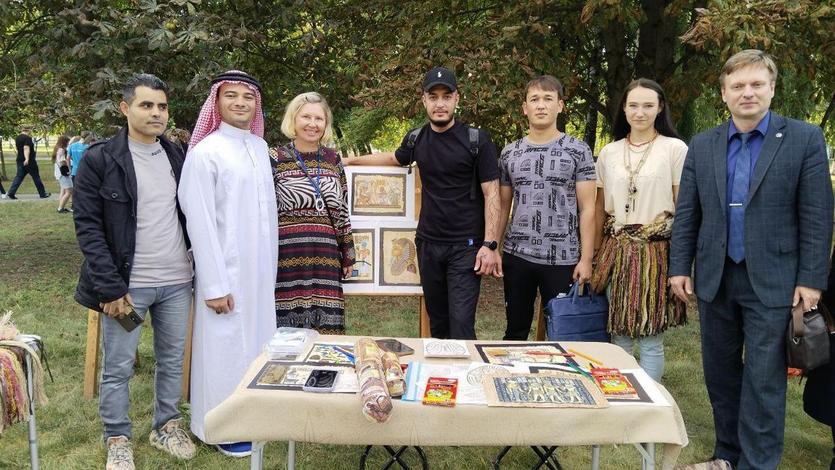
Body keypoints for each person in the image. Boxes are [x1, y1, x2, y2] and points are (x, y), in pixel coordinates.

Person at [670, 49, 833, 469]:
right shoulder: (703, 144)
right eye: (738, 86)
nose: (748, 93)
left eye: (757, 84)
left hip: (775, 280)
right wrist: (677, 268)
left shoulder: (803, 138)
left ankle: (757, 463)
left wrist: (811, 281)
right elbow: (689, 213)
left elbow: (817, 215)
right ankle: (727, 455)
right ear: (723, 93)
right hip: (715, 278)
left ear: (772, 88)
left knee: (763, 380)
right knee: (720, 376)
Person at [73, 73, 195, 470]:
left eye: (161, 106)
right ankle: (117, 437)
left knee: (172, 359)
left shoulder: (178, 154)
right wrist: (109, 289)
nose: (156, 113)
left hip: (177, 281)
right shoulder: (100, 159)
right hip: (127, 287)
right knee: (119, 366)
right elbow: (88, 227)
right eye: (146, 105)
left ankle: (167, 425)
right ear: (125, 108)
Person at [343, 66, 501, 340]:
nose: (440, 103)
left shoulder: (477, 140)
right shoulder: (417, 139)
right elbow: (393, 158)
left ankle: (466, 381)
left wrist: (489, 245)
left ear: (456, 99)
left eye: (446, 96)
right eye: (433, 96)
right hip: (428, 244)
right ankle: (440, 381)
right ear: (424, 100)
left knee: (462, 325)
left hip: (466, 247)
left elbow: (493, 194)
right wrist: (348, 161)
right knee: (438, 324)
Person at [178, 70, 278, 457]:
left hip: (259, 272)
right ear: (216, 103)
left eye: (247, 97)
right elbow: (198, 221)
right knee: (225, 350)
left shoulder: (258, 146)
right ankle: (222, 427)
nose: (240, 103)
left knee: (257, 345)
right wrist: (215, 284)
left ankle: (254, 417)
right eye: (231, 96)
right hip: (225, 274)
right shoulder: (206, 152)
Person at [590, 78, 687, 382]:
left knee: (649, 334)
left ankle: (650, 403)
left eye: (648, 105)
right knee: (617, 331)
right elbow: (599, 207)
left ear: (660, 108)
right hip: (615, 249)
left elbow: (683, 208)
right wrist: (592, 255)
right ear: (624, 108)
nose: (640, 112)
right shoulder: (609, 152)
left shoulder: (674, 149)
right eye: (633, 105)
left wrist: (682, 263)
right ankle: (621, 397)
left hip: (654, 250)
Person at [497, 75, 596, 341]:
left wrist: (586, 259)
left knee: (563, 333)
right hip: (518, 256)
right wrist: (494, 248)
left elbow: (588, 209)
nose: (541, 105)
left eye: (548, 99)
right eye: (535, 99)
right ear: (525, 108)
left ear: (560, 106)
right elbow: (503, 207)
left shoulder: (578, 150)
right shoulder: (510, 153)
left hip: (562, 257)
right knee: (515, 330)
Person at [271, 92, 355, 333]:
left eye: (319, 118)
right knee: (287, 328)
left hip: (326, 256)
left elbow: (341, 209)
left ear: (325, 124)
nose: (312, 124)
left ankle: (326, 371)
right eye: (306, 116)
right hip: (286, 256)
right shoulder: (275, 157)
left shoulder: (332, 159)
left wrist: (347, 252)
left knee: (327, 330)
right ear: (293, 120)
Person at [4, 125, 50, 200]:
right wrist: (27, 159)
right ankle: (42, 193)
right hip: (29, 161)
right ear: (29, 130)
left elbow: (20, 148)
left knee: (19, 177)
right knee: (36, 177)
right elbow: (26, 148)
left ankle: (11, 192)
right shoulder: (27, 138)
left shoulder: (18, 138)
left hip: (19, 159)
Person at [52, 135, 73, 213]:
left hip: (59, 172)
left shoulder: (57, 148)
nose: (68, 143)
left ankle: (61, 207)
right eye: (67, 142)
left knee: (64, 191)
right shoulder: (62, 150)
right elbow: (62, 161)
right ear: (64, 142)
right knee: (69, 191)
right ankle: (60, 208)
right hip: (63, 172)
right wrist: (68, 170)